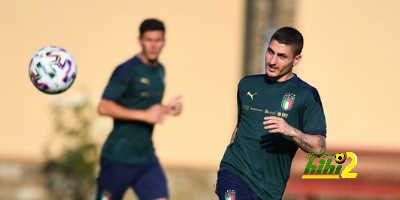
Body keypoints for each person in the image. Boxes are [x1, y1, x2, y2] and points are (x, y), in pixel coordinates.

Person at [216, 27, 327, 200]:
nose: (272, 61)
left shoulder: (305, 95)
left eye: (282, 56)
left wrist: (291, 131)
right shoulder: (247, 85)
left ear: (296, 59)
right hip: (235, 172)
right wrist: (225, 175)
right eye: (270, 52)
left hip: (269, 189)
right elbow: (240, 127)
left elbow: (320, 148)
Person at [96, 18, 182, 200]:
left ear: (164, 42)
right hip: (118, 158)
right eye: (148, 40)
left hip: (146, 158)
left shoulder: (160, 70)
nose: (153, 45)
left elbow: (143, 105)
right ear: (140, 40)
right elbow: (104, 107)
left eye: (158, 40)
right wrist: (144, 115)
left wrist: (167, 109)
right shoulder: (126, 70)